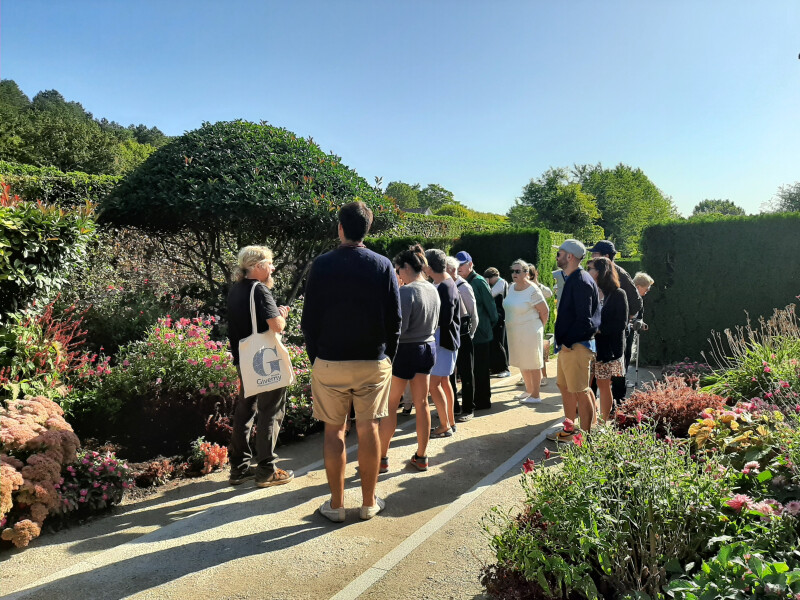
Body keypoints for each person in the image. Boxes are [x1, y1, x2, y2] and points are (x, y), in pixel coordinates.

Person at [302, 202, 401, 522]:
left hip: (330, 360)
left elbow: (308, 320)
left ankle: (336, 504)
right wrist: (387, 356)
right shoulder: (384, 265)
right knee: (369, 427)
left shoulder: (321, 264)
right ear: (367, 229)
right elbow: (394, 319)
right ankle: (369, 502)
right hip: (372, 361)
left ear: (340, 228)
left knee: (335, 431)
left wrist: (316, 357)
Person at [226, 245, 294, 488]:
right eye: (269, 262)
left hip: (243, 360)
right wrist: (282, 315)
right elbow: (276, 325)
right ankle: (267, 470)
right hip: (264, 360)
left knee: (245, 410)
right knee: (271, 410)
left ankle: (239, 468)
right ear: (257, 266)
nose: (272, 267)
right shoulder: (260, 290)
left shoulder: (236, 290)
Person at [379, 245, 440, 473]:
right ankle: (422, 456)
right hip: (428, 346)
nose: (398, 274)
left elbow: (398, 329)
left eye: (398, 269)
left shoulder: (406, 292)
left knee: (391, 405)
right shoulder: (432, 288)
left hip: (405, 350)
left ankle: (382, 458)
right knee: (422, 403)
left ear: (405, 266)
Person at [546, 239, 601, 442]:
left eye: (559, 253)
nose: (557, 256)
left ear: (569, 256)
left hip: (576, 346)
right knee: (565, 386)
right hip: (570, 346)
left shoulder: (580, 281)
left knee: (580, 390)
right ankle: (569, 430)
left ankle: (586, 438)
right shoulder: (575, 278)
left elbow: (585, 319)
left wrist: (568, 342)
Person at [588, 241, 642, 402]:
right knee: (597, 375)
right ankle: (592, 406)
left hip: (615, 334)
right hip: (600, 337)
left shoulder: (619, 275)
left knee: (617, 373)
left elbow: (636, 302)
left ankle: (618, 405)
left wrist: (623, 318)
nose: (591, 257)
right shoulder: (596, 282)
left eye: (595, 254)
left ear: (606, 257)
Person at [456, 251, 498, 414]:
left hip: (481, 333)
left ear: (470, 264)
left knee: (480, 369)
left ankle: (482, 401)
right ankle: (474, 399)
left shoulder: (479, 282)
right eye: (457, 264)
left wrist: (488, 327)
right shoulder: (460, 281)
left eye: (463, 264)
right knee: (471, 369)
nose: (459, 267)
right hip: (470, 334)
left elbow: (491, 308)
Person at [425, 249, 461, 438]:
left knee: (434, 385)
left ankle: (445, 425)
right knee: (445, 382)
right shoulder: (446, 283)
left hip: (443, 342)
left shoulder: (444, 286)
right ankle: (450, 422)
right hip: (448, 341)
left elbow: (443, 319)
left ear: (430, 267)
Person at [587, 257, 628, 421]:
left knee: (603, 385)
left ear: (600, 272)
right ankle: (589, 419)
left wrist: (599, 330)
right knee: (586, 385)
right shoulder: (590, 291)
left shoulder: (618, 294)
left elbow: (621, 324)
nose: (588, 272)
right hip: (588, 347)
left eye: (591, 268)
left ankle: (604, 421)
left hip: (607, 349)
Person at [504, 259, 550, 404]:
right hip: (514, 331)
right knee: (522, 361)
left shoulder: (533, 290)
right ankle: (528, 390)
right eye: (513, 271)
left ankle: (536, 395)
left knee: (533, 362)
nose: (514, 274)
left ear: (526, 273)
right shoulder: (511, 287)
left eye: (517, 271)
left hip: (530, 330)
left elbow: (545, 311)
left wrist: (538, 327)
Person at [446, 256, 479, 423]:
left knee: (466, 373)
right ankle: (453, 407)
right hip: (449, 335)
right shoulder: (442, 285)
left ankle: (468, 408)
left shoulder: (464, 287)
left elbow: (474, 315)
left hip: (464, 335)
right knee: (449, 373)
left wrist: (470, 335)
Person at [484, 267, 511, 378]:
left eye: (488, 279)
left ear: (492, 277)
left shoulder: (501, 283)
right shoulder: (501, 283)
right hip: (497, 317)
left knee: (499, 343)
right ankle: (496, 367)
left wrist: (484, 284)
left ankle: (504, 368)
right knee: (494, 342)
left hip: (500, 317)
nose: (488, 282)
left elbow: (490, 294)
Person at [529, 264, 553, 387]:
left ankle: (544, 375)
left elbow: (549, 293)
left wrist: (537, 284)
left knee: (539, 350)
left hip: (538, 321)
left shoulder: (540, 288)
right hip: (527, 322)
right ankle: (527, 376)